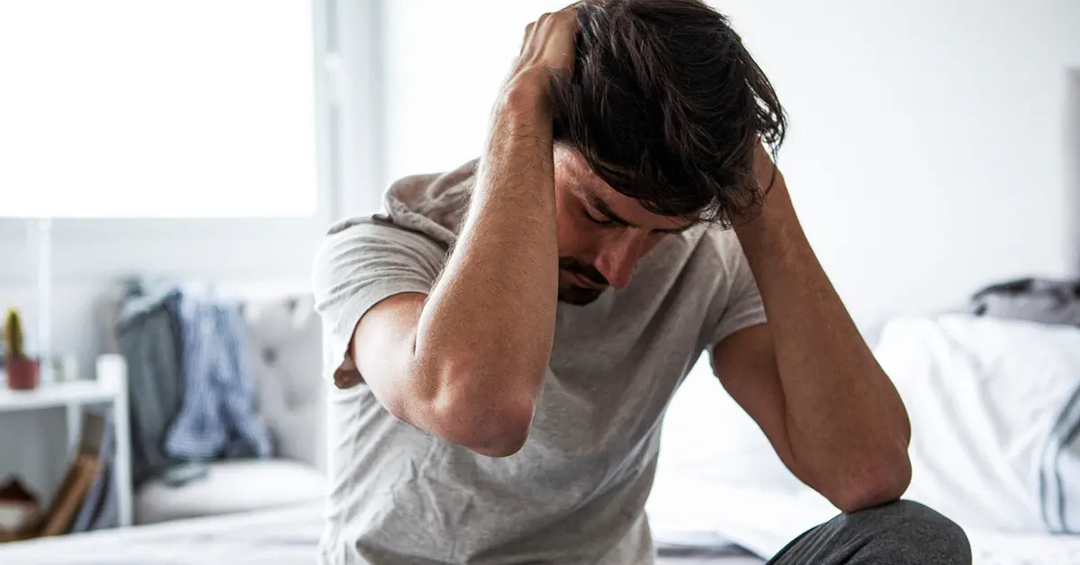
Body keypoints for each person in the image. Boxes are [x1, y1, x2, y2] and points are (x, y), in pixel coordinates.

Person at [312, 1, 971, 563]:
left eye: (662, 231)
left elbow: (868, 471)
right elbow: (480, 411)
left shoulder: (704, 260)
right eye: (597, 212)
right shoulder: (384, 246)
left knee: (915, 538)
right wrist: (518, 106)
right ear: (536, 137)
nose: (620, 268)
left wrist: (763, 201)